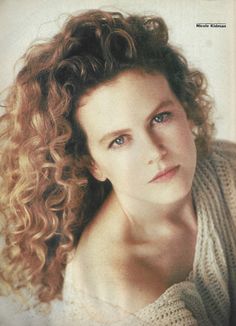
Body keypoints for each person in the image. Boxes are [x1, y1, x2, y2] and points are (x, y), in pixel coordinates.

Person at [0, 9, 235, 326]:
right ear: (93, 164)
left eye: (159, 118)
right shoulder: (122, 294)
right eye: (119, 140)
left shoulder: (223, 166)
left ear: (187, 110)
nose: (155, 152)